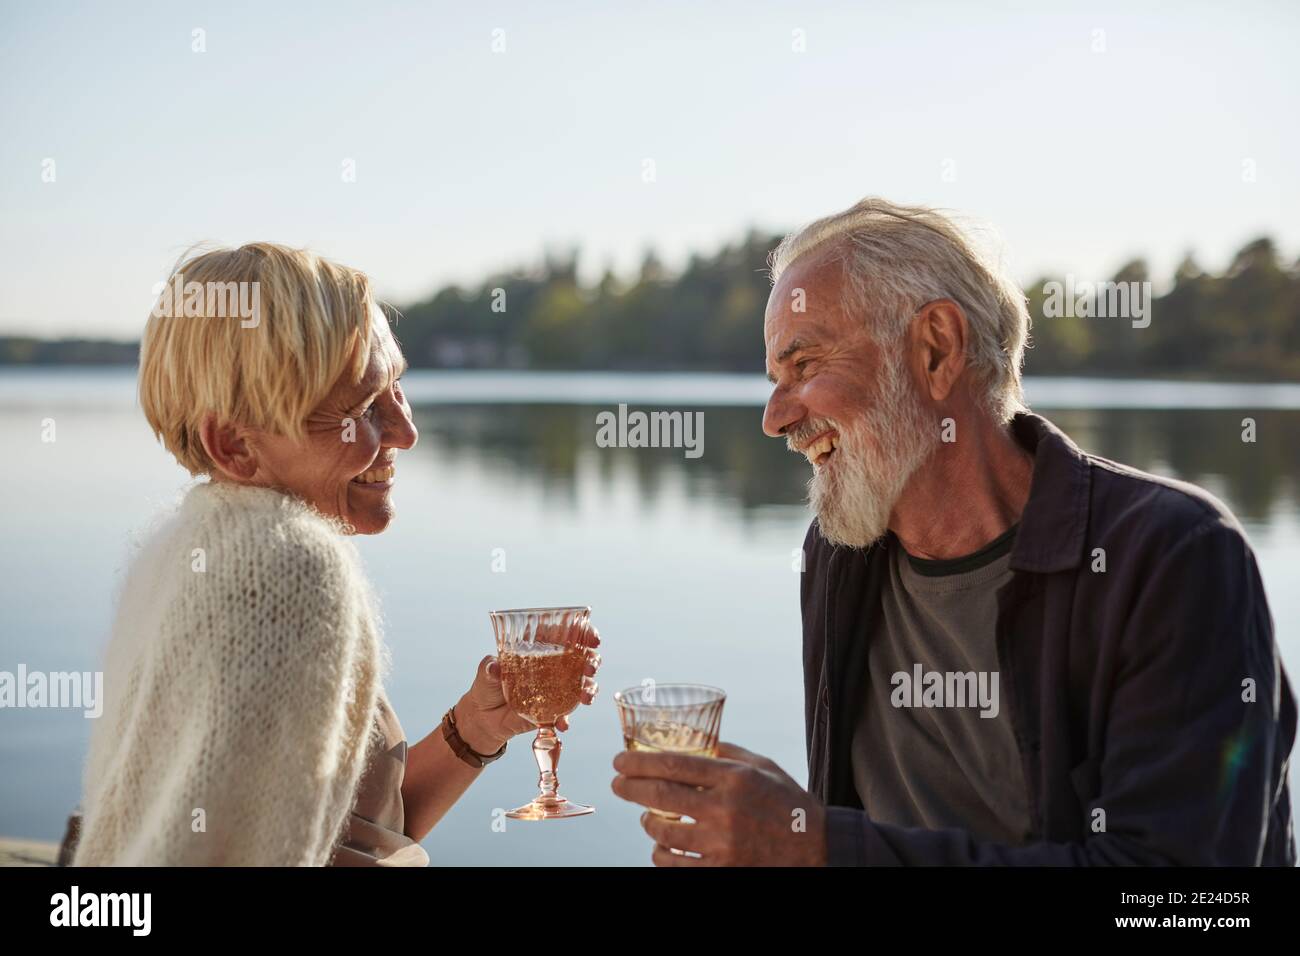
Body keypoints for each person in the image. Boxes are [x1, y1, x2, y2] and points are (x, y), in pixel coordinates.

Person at [611, 198, 1296, 866]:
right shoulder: (838, 553)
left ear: (936, 349)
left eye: (805, 365)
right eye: (773, 378)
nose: (774, 418)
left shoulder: (1175, 556)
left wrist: (821, 849)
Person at [68, 242, 599, 866]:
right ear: (234, 444)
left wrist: (475, 731)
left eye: (396, 387)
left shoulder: (183, 546)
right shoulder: (288, 564)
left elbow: (345, 838)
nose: (406, 431)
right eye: (363, 408)